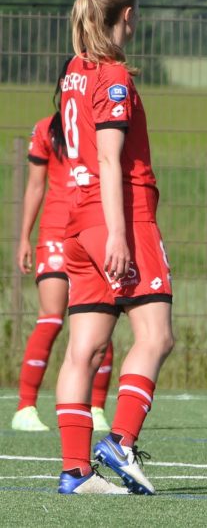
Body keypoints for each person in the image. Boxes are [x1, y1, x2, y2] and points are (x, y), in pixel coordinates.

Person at [53, 0, 175, 495]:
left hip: (76, 220)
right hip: (118, 218)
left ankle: (75, 471)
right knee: (156, 336)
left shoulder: (73, 72)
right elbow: (109, 158)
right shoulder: (113, 75)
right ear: (128, 15)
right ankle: (121, 441)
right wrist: (120, 236)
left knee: (84, 349)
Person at [11, 112, 114, 433]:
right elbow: (35, 186)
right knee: (51, 318)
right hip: (55, 232)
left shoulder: (103, 125)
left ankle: (96, 408)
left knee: (102, 317)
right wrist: (24, 237)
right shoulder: (46, 128)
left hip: (92, 228)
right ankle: (25, 408)